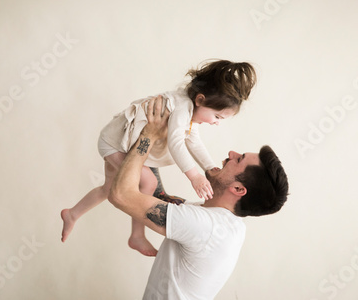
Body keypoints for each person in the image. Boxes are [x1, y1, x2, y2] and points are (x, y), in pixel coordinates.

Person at [61, 60, 257, 256]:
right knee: (149, 181)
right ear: (200, 100)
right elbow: (176, 143)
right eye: (217, 117)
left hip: (117, 143)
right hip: (114, 144)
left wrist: (209, 167)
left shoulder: (191, 112)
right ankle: (136, 235)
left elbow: (193, 141)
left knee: (107, 188)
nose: (216, 123)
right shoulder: (181, 107)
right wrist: (194, 176)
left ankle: (72, 213)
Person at [109, 96, 289, 299]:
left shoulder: (206, 227)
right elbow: (158, 195)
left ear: (238, 189)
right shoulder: (223, 223)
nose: (231, 152)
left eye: (239, 159)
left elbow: (121, 195)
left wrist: (148, 135)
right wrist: (163, 133)